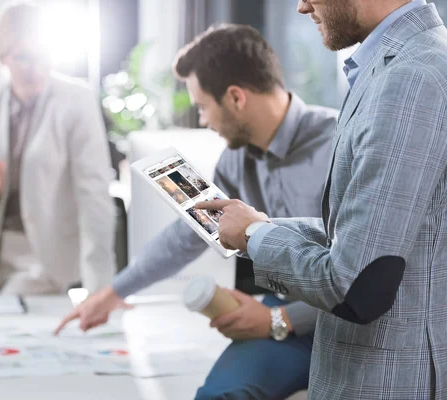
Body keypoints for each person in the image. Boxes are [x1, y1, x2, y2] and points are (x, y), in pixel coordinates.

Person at [56, 24, 338, 399]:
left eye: (203, 107)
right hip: (286, 312)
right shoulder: (236, 161)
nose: (203, 120)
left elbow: (364, 272)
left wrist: (278, 320)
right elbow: (186, 237)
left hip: (346, 321)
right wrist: (111, 294)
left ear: (236, 98)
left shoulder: (342, 144)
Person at [197, 1, 447, 398]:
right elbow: (371, 236)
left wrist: (255, 237)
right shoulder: (390, 67)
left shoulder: (410, 78)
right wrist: (257, 225)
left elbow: (356, 283)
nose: (302, 6)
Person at [0, 1, 116, 295]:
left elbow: (94, 193)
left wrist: (101, 287)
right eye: (22, 56)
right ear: (2, 56)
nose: (35, 68)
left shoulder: (77, 100)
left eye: (43, 55)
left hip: (48, 257)